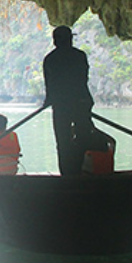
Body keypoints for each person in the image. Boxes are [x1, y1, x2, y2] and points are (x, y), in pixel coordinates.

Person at [42, 25, 97, 175]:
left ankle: (66, 173)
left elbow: (49, 85)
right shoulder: (80, 56)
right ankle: (79, 171)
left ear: (55, 41)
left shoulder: (50, 59)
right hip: (80, 102)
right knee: (82, 137)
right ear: (70, 39)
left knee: (63, 141)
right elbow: (83, 79)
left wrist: (48, 101)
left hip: (61, 105)